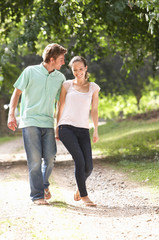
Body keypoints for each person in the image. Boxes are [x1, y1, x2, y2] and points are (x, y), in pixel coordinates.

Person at [8, 43, 67, 205]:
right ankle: (37, 196)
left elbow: (61, 103)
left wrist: (60, 124)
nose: (63, 63)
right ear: (52, 59)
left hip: (47, 122)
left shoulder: (60, 78)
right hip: (30, 121)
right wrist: (11, 114)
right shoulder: (30, 71)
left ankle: (44, 185)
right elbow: (17, 92)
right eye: (61, 59)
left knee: (50, 157)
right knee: (34, 160)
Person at [56, 56, 100, 206]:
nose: (78, 72)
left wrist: (95, 130)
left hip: (83, 129)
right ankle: (84, 196)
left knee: (89, 166)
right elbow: (60, 106)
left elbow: (94, 110)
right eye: (75, 70)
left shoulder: (93, 87)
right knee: (79, 161)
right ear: (72, 70)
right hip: (66, 127)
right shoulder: (67, 85)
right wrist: (57, 127)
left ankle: (79, 189)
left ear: (86, 68)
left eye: (81, 69)